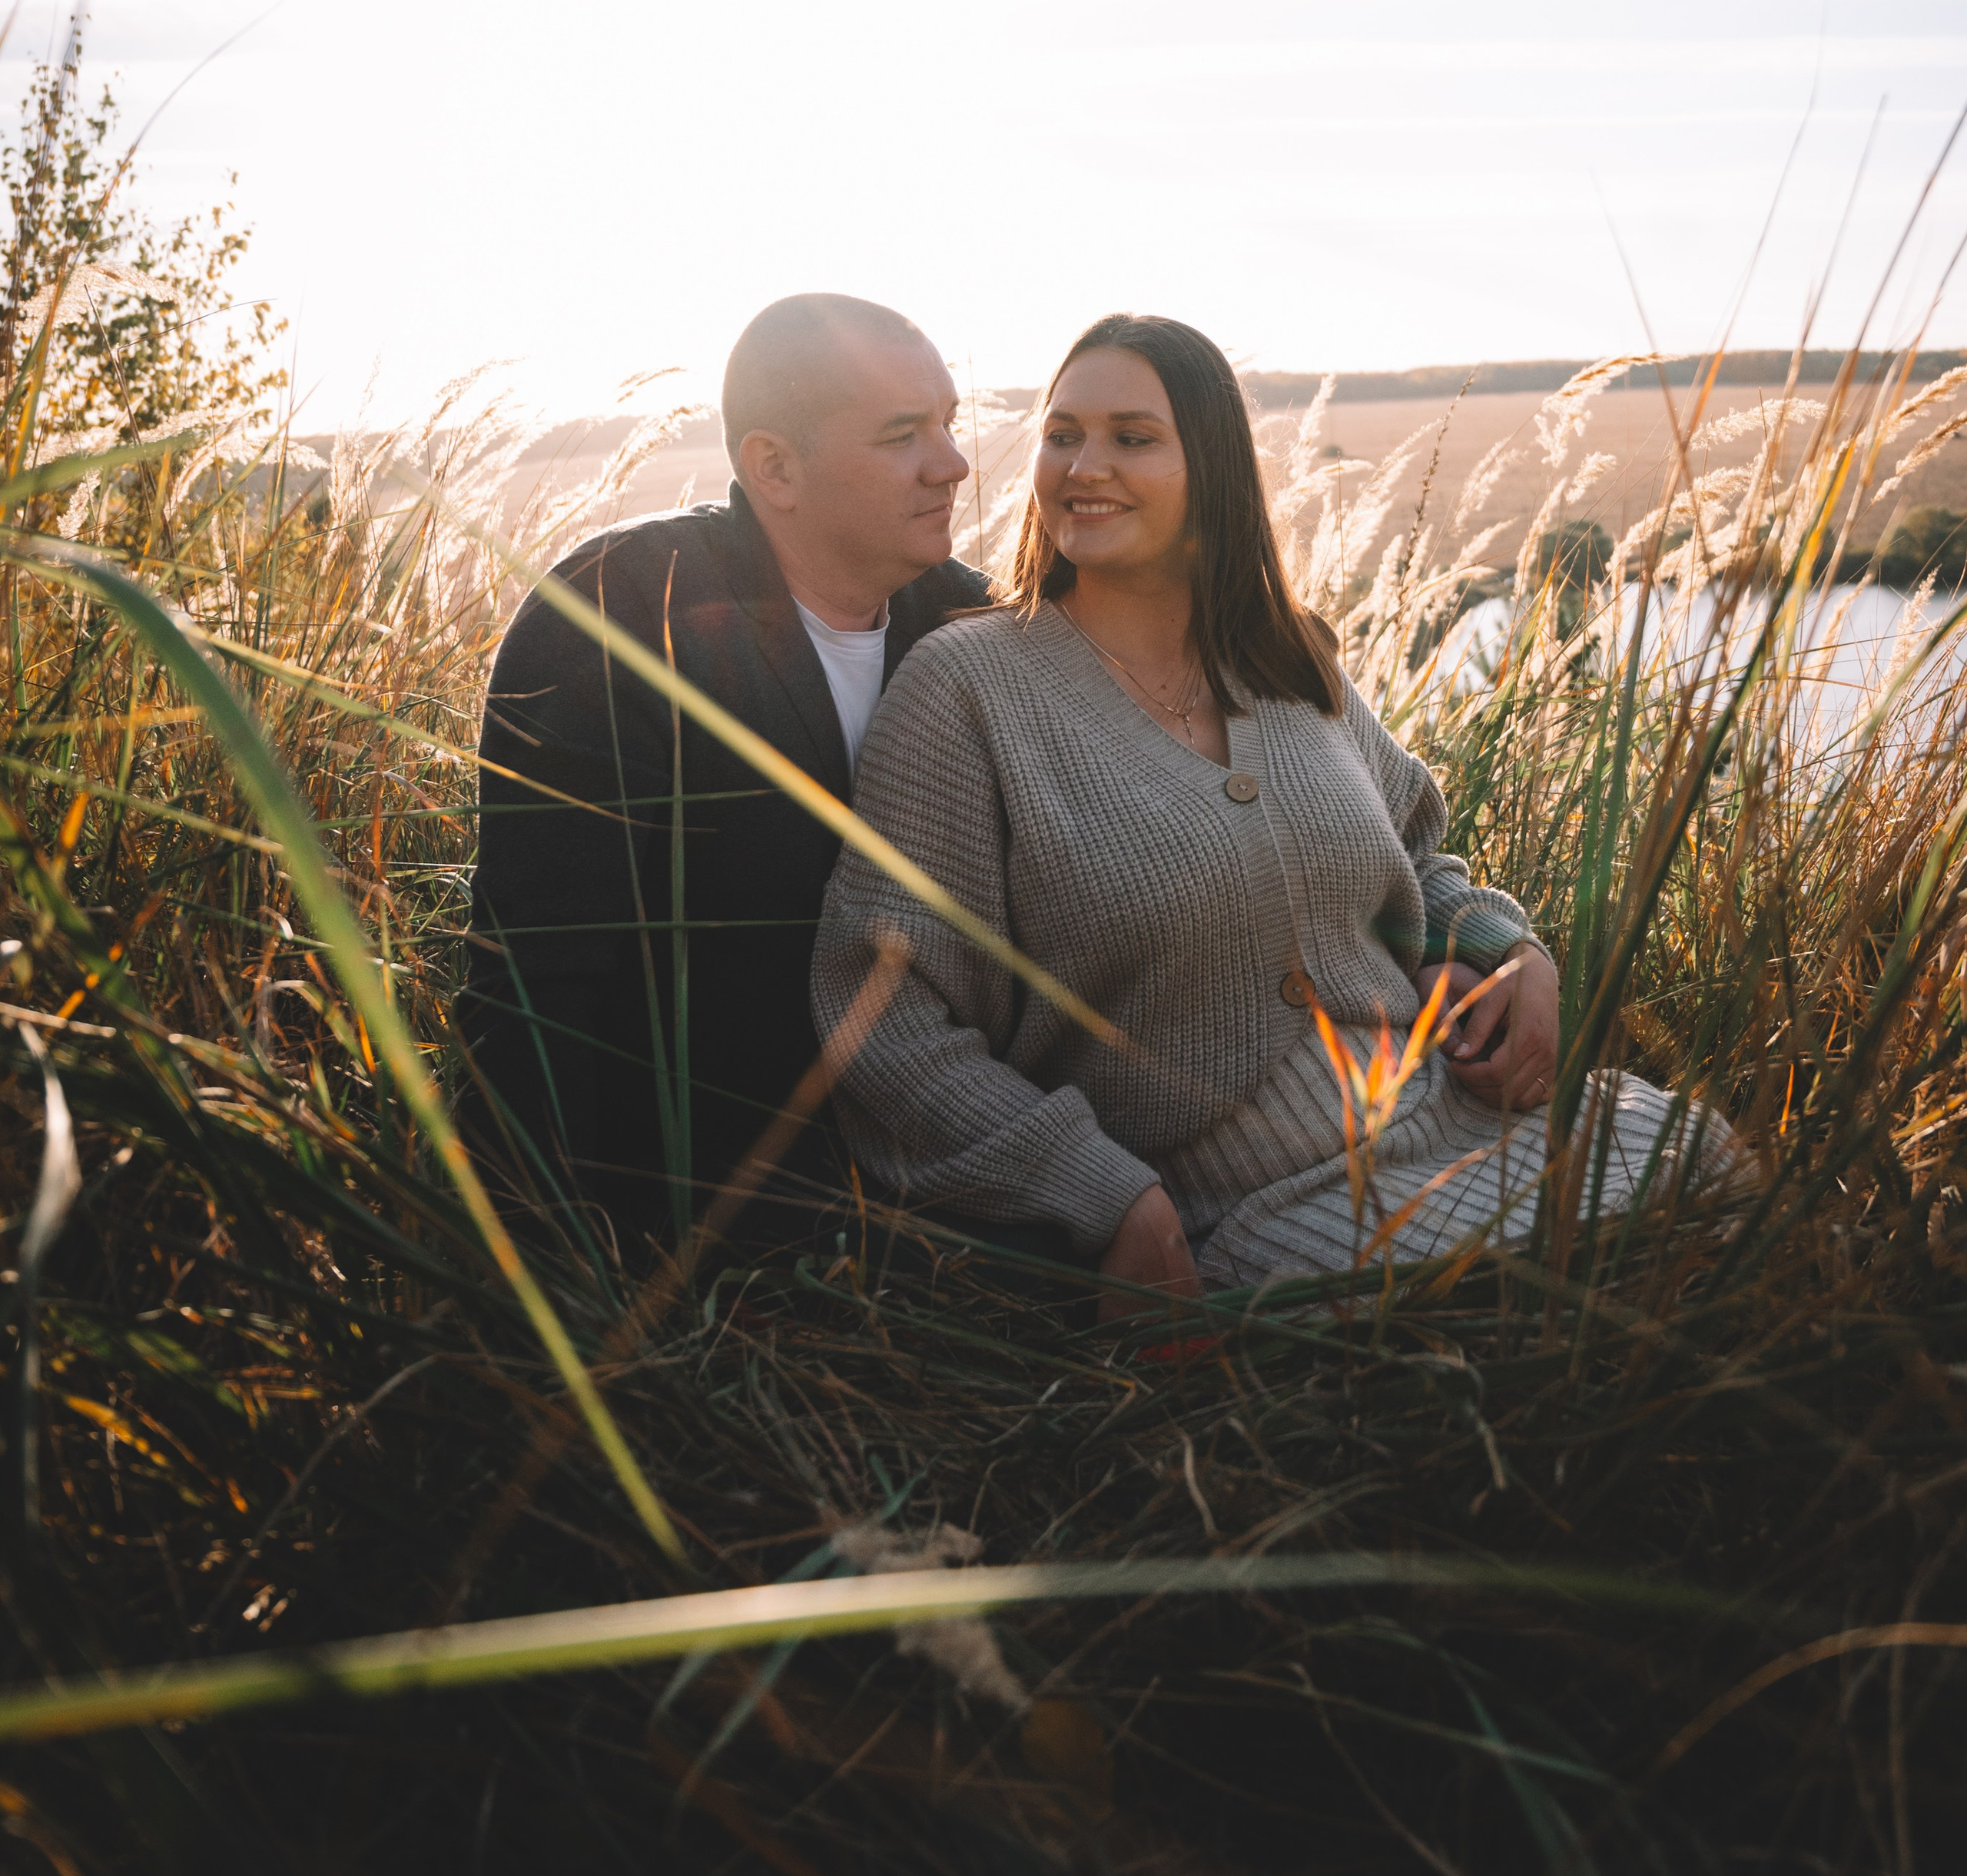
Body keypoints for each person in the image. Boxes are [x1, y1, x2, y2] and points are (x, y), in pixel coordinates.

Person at [812, 311, 1727, 1311]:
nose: (1084, 465)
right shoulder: (968, 688)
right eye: (1062, 433)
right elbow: (886, 1025)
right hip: (1258, 1209)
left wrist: (1512, 954)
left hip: (1463, 1118)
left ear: (1211, 467)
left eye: (1132, 436)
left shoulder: (1286, 658)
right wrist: (1098, 1193)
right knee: (1533, 1306)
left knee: (1721, 1172)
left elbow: (1417, 862)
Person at [465, 293, 987, 1255]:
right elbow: (536, 985)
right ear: (774, 467)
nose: (953, 462)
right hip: (691, 1216)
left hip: (931, 1174)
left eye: (950, 422)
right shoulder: (622, 613)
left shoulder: (964, 626)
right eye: (903, 433)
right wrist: (540, 1287)